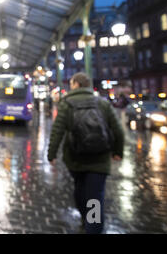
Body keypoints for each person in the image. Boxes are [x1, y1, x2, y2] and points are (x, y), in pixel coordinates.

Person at [47, 72, 124, 234]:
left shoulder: (67, 103)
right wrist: (118, 152)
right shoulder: (102, 103)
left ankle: (86, 221)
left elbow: (57, 131)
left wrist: (52, 154)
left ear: (75, 84)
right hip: (100, 159)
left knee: (80, 191)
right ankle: (93, 227)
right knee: (95, 197)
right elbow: (118, 131)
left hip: (76, 158)